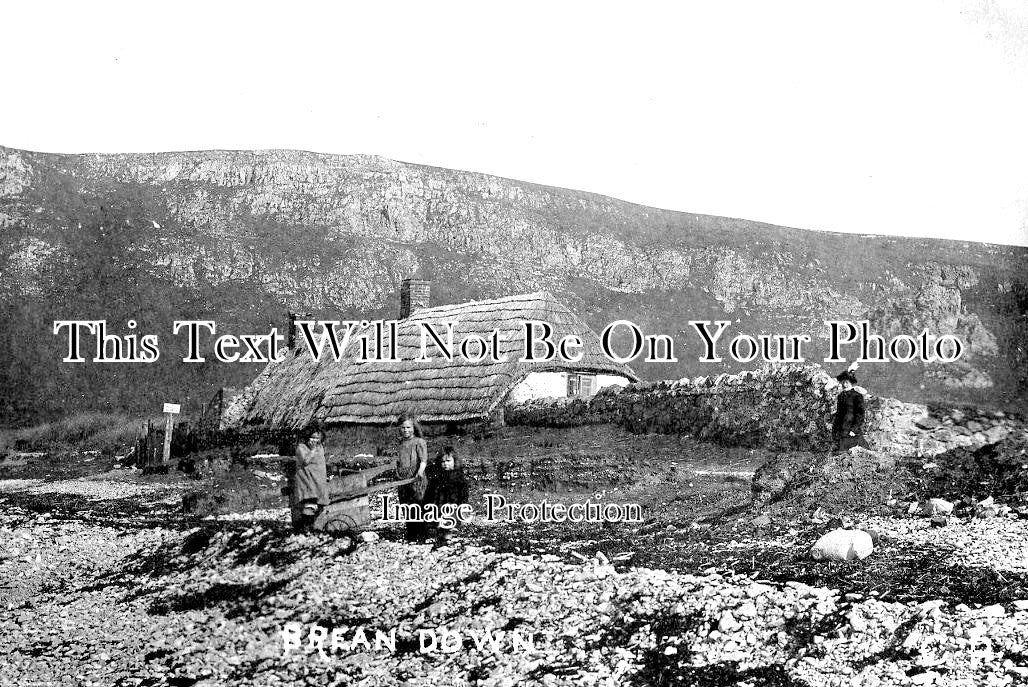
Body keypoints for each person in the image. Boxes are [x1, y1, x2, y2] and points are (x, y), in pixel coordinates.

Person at [425, 445, 469, 548]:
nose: (445, 464)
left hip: (453, 504)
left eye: (448, 461)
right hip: (439, 503)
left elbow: (463, 493)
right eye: (443, 462)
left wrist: (463, 505)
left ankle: (448, 538)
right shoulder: (437, 477)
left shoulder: (459, 477)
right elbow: (430, 491)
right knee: (437, 522)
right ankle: (438, 537)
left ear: (454, 461)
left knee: (450, 522)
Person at [395, 414, 429, 542]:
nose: (406, 430)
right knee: (405, 505)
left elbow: (423, 460)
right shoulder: (401, 443)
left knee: (418, 505)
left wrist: (419, 472)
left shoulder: (419, 442)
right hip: (403, 480)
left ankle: (422, 534)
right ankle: (411, 534)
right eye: (403, 428)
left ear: (414, 428)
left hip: (416, 479)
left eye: (408, 427)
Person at [293, 424, 329, 532]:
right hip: (307, 481)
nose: (315, 440)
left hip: (318, 481)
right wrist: (312, 450)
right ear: (307, 437)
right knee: (309, 505)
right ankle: (305, 530)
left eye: (317, 438)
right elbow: (305, 461)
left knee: (319, 505)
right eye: (312, 437)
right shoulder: (301, 448)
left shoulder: (320, 447)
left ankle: (313, 528)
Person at [832, 370, 869, 452]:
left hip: (851, 430)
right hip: (842, 429)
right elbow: (839, 414)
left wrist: (854, 429)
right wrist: (835, 430)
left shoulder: (857, 396)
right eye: (843, 383)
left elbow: (860, 415)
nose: (844, 385)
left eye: (846, 383)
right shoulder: (841, 396)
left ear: (851, 383)